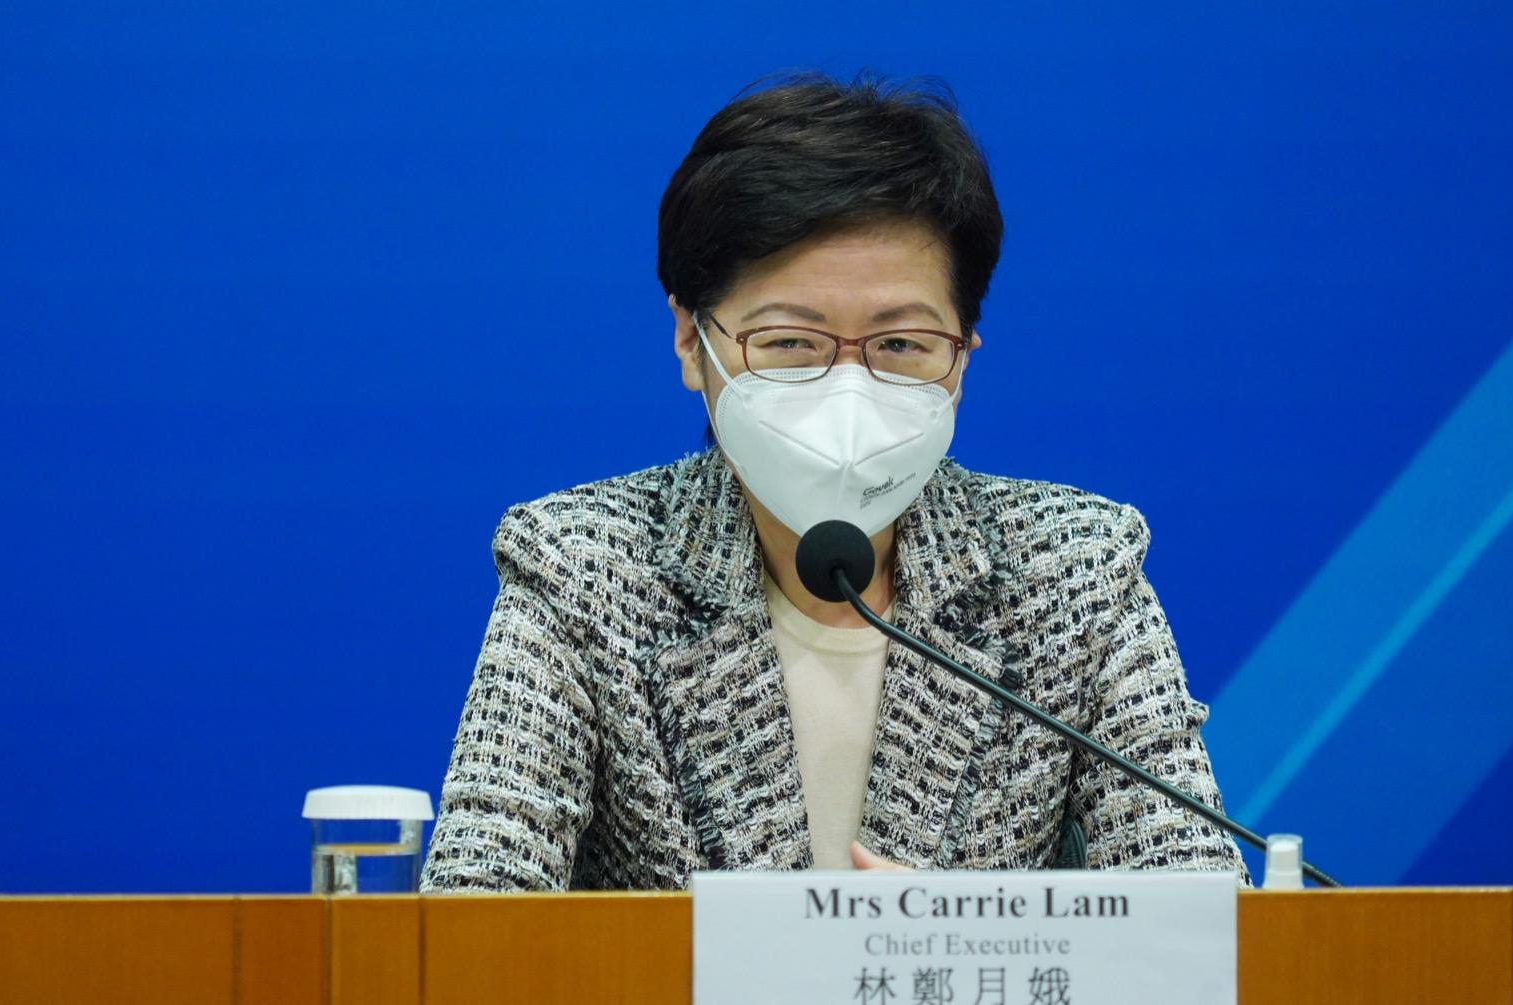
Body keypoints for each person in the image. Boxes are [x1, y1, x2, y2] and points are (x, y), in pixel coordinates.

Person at [420, 73, 1249, 892]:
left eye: (900, 345)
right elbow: (474, 920)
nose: (847, 390)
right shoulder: (580, 568)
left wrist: (972, 947)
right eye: (791, 343)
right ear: (690, 339)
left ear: (963, 356)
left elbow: (1206, 927)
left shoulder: (1073, 573)